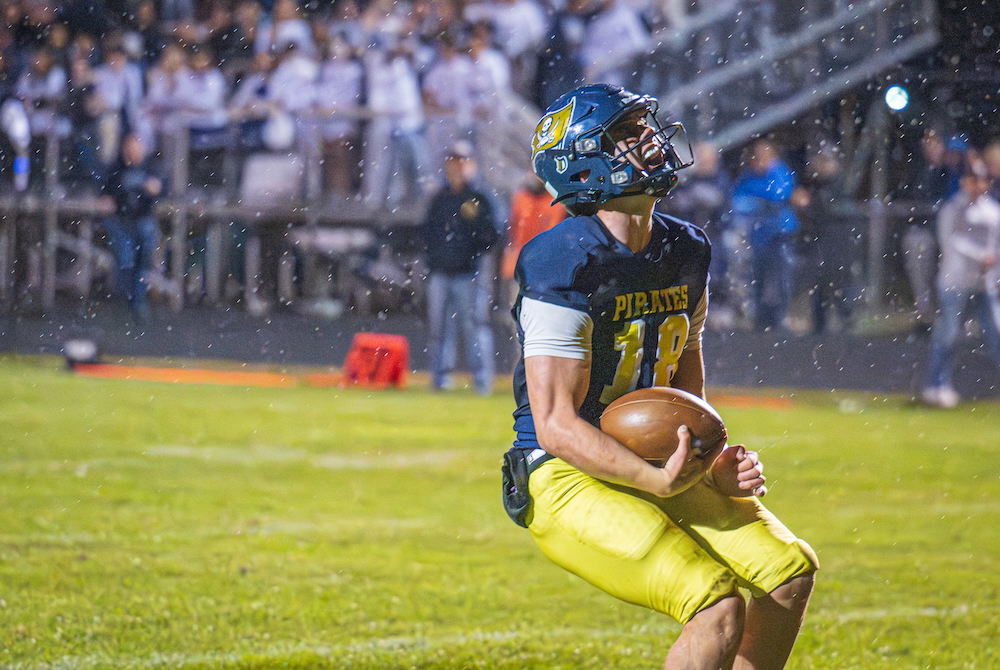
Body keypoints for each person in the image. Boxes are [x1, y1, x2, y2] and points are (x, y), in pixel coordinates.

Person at [501, 84, 817, 669]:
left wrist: (706, 454)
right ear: (583, 161)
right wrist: (658, 482)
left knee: (788, 574)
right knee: (715, 603)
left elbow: (684, 367)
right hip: (564, 473)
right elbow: (555, 425)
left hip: (651, 457)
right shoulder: (562, 260)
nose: (648, 138)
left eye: (643, 126)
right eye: (626, 133)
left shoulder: (685, 247)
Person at [418, 141, 498, 395]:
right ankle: (440, 377)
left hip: (468, 273)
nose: (458, 167)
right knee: (439, 329)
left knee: (474, 325)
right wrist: (433, 259)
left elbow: (492, 235)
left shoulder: (479, 198)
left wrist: (471, 251)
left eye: (463, 161)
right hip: (441, 273)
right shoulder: (440, 199)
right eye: (454, 161)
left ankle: (482, 379)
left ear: (472, 165)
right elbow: (428, 232)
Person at [921, 158, 1000, 408]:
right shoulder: (953, 208)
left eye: (982, 180)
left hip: (984, 283)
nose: (978, 186)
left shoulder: (992, 210)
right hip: (955, 281)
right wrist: (981, 256)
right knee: (950, 334)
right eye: (973, 180)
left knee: (996, 332)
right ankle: (936, 384)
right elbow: (951, 241)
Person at [730, 138, 803, 331]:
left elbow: (779, 193)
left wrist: (759, 197)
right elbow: (737, 198)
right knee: (757, 279)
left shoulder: (779, 171)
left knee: (780, 279)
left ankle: (779, 317)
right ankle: (760, 319)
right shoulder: (750, 176)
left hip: (780, 236)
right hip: (758, 237)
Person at [97, 132, 164, 319]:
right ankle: (125, 297)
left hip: (142, 219)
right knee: (126, 256)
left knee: (145, 254)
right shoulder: (115, 169)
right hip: (120, 221)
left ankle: (138, 302)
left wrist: (153, 187)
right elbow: (105, 196)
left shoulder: (151, 167)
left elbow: (160, 188)